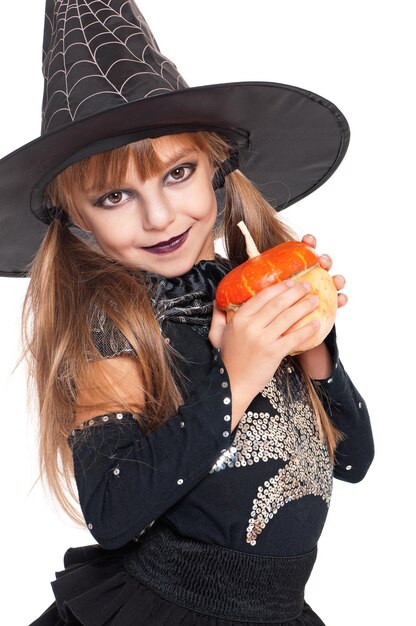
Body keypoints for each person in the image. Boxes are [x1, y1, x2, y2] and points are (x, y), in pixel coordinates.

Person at [0, 2, 374, 625]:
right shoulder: (112, 327)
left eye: (178, 173)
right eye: (115, 196)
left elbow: (353, 461)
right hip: (168, 609)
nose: (160, 217)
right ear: (75, 218)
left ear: (218, 168)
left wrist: (315, 345)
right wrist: (238, 375)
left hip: (277, 610)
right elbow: (113, 511)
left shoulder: (246, 291)